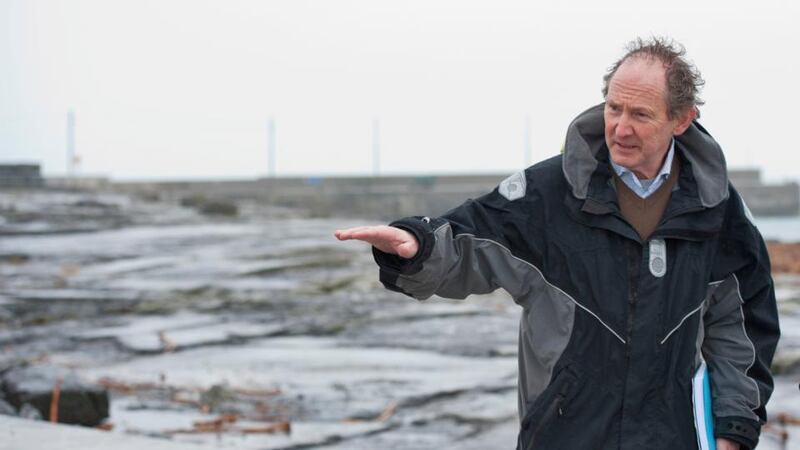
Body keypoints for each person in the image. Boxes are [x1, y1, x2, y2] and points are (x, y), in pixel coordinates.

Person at [335, 37, 780, 450]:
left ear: (681, 120)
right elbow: (472, 239)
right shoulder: (547, 193)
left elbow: (739, 329)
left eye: (640, 115)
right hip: (564, 435)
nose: (621, 127)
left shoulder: (718, 210)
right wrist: (418, 245)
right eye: (614, 108)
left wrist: (734, 428)